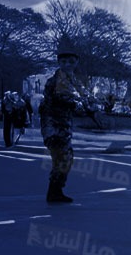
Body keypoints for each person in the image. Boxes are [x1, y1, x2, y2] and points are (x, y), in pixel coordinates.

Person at [40, 37, 94, 203]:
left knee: (66, 158)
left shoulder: (72, 79)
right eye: (64, 62)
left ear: (76, 62)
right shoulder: (58, 80)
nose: (68, 64)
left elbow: (84, 95)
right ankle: (54, 193)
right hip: (53, 126)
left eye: (71, 62)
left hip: (62, 125)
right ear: (59, 63)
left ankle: (56, 191)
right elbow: (62, 98)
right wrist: (80, 106)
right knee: (62, 158)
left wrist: (90, 105)